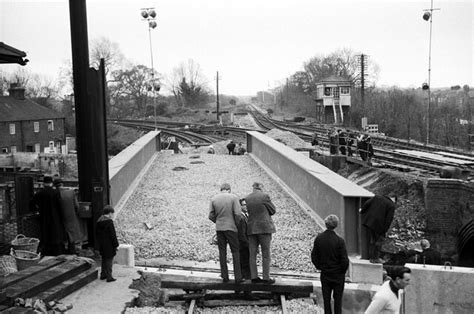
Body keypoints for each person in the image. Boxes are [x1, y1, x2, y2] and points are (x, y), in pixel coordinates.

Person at [311, 215, 349, 314]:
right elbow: (344, 260)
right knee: (338, 301)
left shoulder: (319, 238)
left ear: (326, 224)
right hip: (338, 275)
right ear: (336, 225)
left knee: (326, 300)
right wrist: (342, 271)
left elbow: (314, 256)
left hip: (325, 273)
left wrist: (319, 266)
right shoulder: (340, 241)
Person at [209, 183, 243, 283]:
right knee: (235, 251)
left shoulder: (214, 199)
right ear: (229, 189)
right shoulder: (234, 198)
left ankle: (225, 276)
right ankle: (238, 277)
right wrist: (236, 224)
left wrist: (218, 221)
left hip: (219, 228)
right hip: (231, 228)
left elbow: (211, 215)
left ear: (221, 189)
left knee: (222, 252)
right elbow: (237, 214)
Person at [245, 182, 276, 284]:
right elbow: (273, 210)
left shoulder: (247, 198)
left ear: (253, 188)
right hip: (264, 228)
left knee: (252, 253)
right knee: (265, 253)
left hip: (251, 228)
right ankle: (266, 277)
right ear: (261, 187)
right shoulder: (264, 196)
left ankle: (254, 276)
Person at [30, 175, 65, 256]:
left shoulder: (40, 193)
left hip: (44, 217)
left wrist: (36, 211)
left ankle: (47, 252)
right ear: (51, 183)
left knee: (46, 234)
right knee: (56, 234)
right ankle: (57, 252)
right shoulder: (56, 192)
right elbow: (60, 205)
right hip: (56, 217)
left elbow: (31, 203)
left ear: (43, 183)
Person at [360, 195, 397, 263]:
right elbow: (388, 220)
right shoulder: (391, 205)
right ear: (394, 199)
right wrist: (385, 230)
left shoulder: (377, 197)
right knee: (379, 241)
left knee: (372, 240)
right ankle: (375, 258)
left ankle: (371, 257)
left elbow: (366, 203)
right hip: (379, 225)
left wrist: (362, 211)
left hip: (369, 222)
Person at [54, 178, 82, 254]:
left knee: (62, 237)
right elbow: (77, 206)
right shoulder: (71, 192)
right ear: (62, 184)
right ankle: (72, 251)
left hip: (60, 219)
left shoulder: (55, 193)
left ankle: (62, 252)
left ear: (55, 186)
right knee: (71, 237)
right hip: (71, 217)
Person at [96, 205, 119, 282]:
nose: (113, 215)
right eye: (112, 214)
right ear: (109, 213)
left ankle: (103, 274)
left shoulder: (99, 221)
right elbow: (113, 235)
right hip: (109, 245)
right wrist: (116, 245)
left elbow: (96, 234)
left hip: (102, 244)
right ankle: (109, 277)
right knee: (109, 260)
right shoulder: (109, 223)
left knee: (104, 259)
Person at [237, 198, 251, 280]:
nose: (246, 206)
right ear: (240, 206)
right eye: (244, 205)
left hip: (244, 245)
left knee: (245, 265)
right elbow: (242, 235)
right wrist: (248, 245)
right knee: (245, 265)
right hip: (243, 246)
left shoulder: (246, 216)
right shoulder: (241, 218)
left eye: (247, 204)